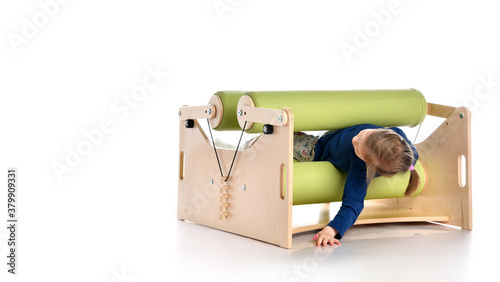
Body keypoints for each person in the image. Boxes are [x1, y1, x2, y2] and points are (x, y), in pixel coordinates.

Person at [293, 124, 420, 247]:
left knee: (290, 141)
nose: (354, 139)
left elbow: (353, 203)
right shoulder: (397, 140)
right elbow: (412, 156)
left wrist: (331, 230)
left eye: (357, 148)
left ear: (367, 163)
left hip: (319, 148)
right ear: (385, 133)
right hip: (336, 132)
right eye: (363, 133)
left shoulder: (360, 167)